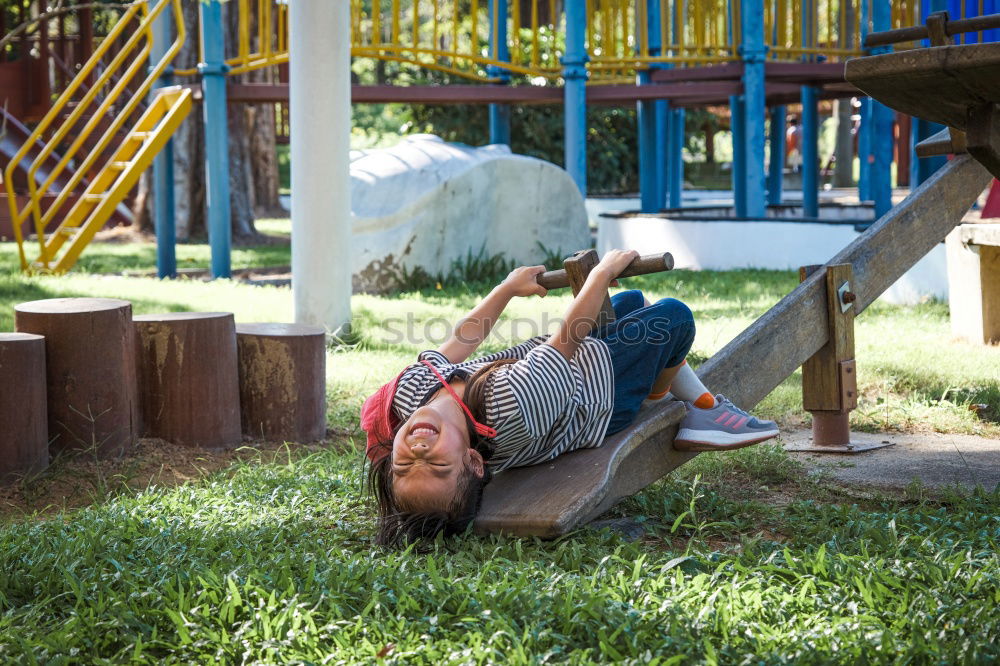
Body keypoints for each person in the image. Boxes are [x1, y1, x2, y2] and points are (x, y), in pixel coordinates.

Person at [361, 250, 778, 545]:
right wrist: (600, 274)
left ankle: (680, 386)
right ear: (472, 460)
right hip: (601, 397)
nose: (417, 447)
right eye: (435, 462)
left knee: (630, 302)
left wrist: (506, 288)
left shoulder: (409, 396)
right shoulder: (510, 408)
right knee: (673, 319)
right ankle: (672, 401)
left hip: (569, 367)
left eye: (403, 462)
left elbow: (459, 341)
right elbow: (566, 340)